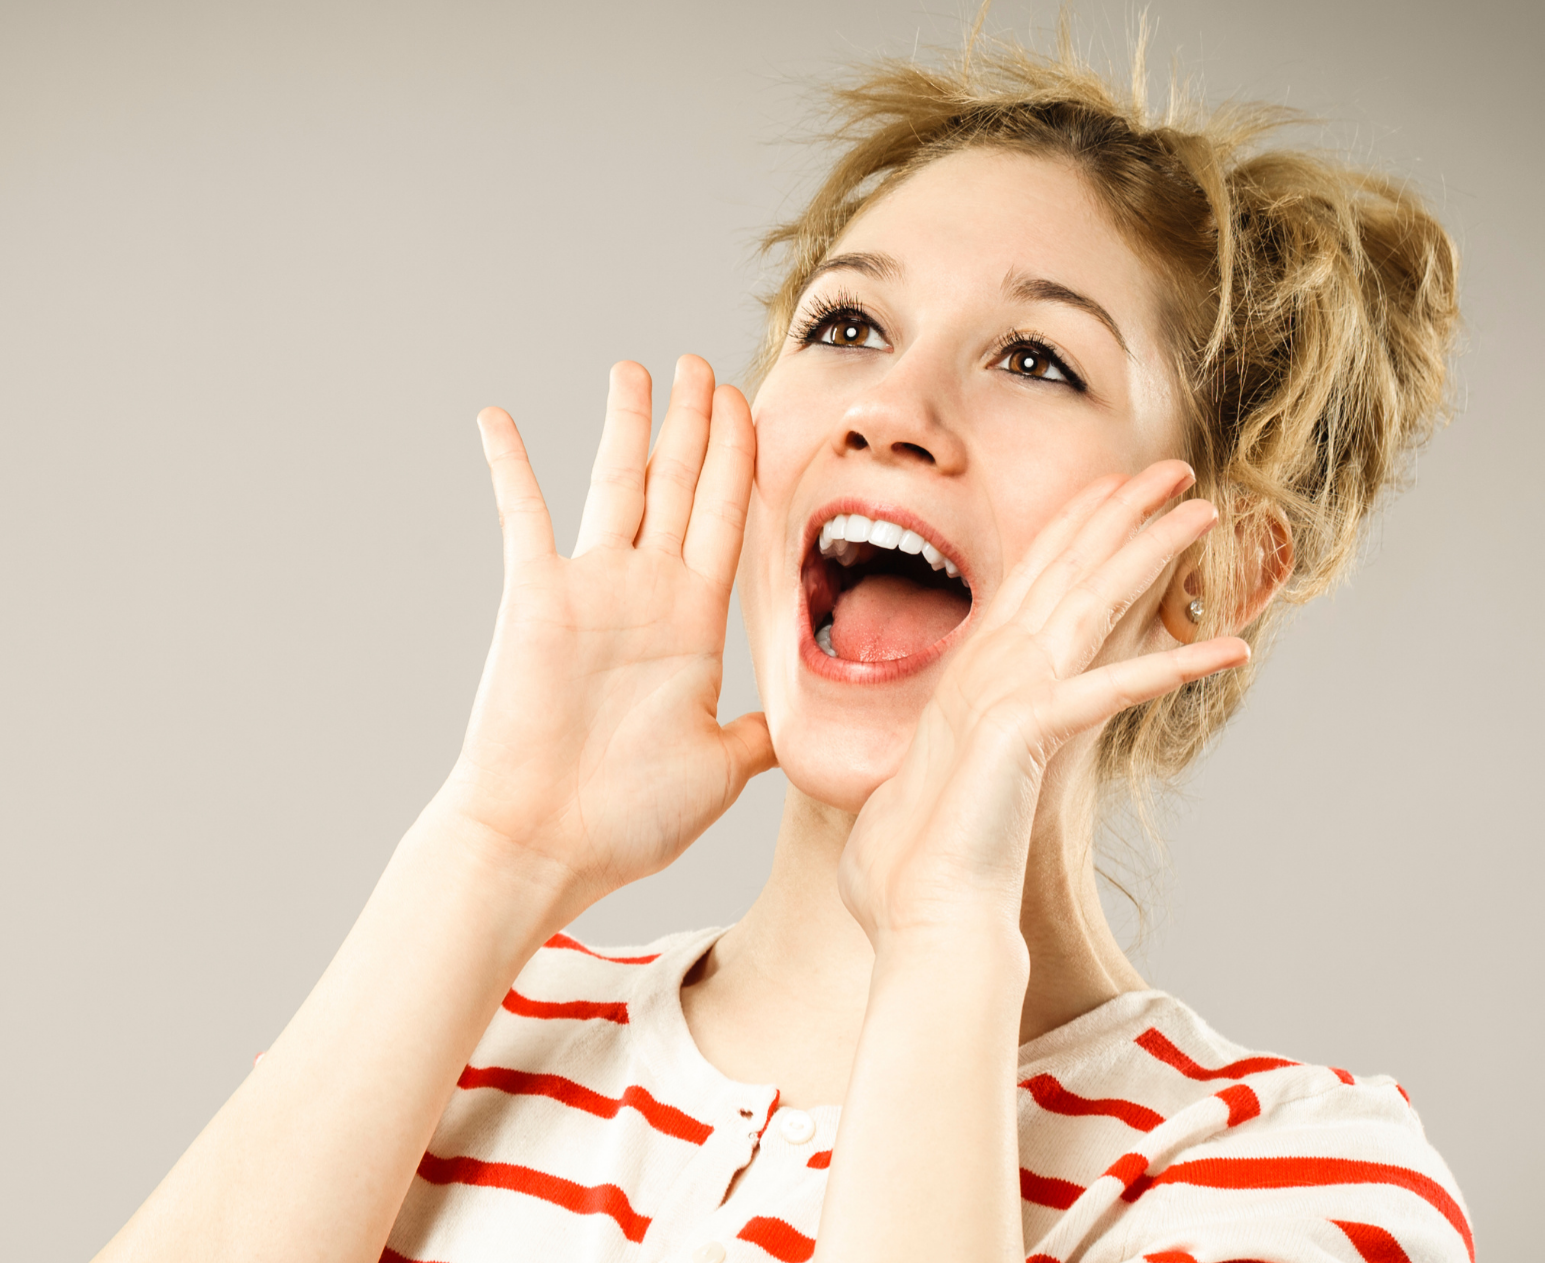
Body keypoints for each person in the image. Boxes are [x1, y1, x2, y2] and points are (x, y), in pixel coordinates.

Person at [95, 25, 1467, 1263]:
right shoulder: (472, 1032)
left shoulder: (1277, 1171)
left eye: (1037, 357)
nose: (889, 405)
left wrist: (940, 935)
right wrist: (495, 848)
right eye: (847, 324)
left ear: (1216, 570)